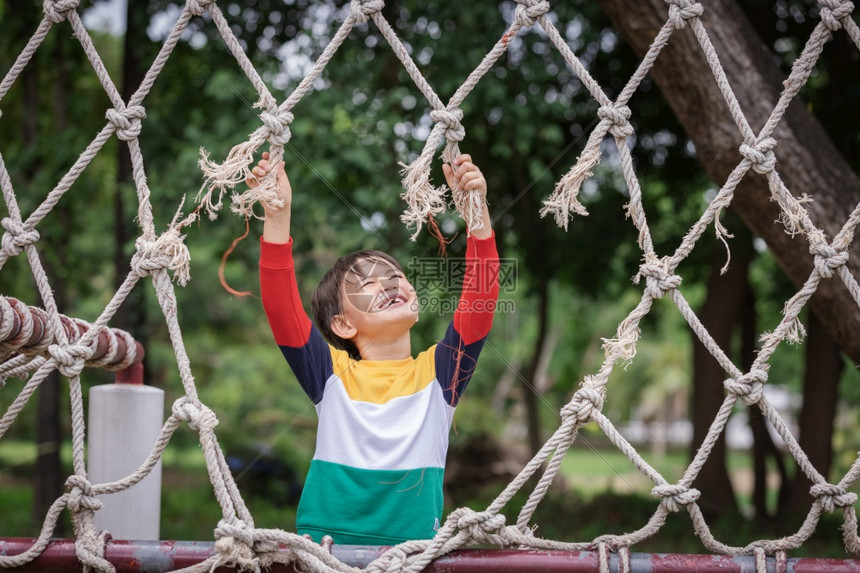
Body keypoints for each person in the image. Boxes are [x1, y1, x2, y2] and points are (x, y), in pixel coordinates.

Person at [252, 151, 499, 546]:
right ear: (343, 324)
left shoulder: (439, 373)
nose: (389, 284)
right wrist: (278, 217)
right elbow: (281, 306)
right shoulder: (330, 374)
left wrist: (477, 215)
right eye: (367, 283)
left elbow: (480, 299)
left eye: (396, 276)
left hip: (412, 552)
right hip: (325, 549)